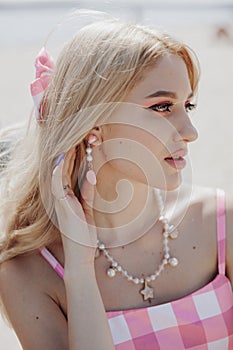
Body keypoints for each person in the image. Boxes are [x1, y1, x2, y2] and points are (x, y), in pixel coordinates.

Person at [0, 11, 233, 350]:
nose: (190, 132)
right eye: (163, 107)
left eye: (189, 106)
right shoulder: (26, 273)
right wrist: (79, 272)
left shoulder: (221, 223)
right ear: (92, 125)